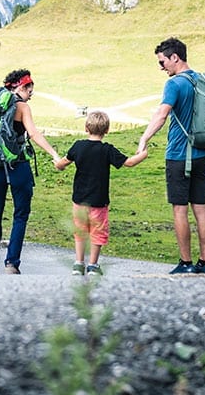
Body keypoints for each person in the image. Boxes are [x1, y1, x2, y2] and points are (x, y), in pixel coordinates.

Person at [137, 37, 205, 274]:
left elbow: (162, 115)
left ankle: (186, 263)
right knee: (200, 208)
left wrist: (144, 138)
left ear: (175, 57)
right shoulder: (201, 79)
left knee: (180, 209)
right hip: (202, 153)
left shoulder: (174, 85)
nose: (162, 68)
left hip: (180, 155)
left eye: (162, 62)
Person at [0, 69, 62, 274]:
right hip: (18, 166)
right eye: (29, 88)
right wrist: (54, 154)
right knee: (20, 214)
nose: (31, 93)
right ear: (20, 86)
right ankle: (12, 263)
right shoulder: (22, 107)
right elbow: (32, 133)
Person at [54, 110, 148, 276]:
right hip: (99, 201)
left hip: (79, 200)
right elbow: (129, 163)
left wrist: (57, 164)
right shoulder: (107, 150)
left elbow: (63, 163)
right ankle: (93, 265)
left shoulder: (78, 146)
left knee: (80, 231)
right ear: (107, 130)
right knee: (98, 233)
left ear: (86, 128)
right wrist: (143, 154)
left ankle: (78, 263)